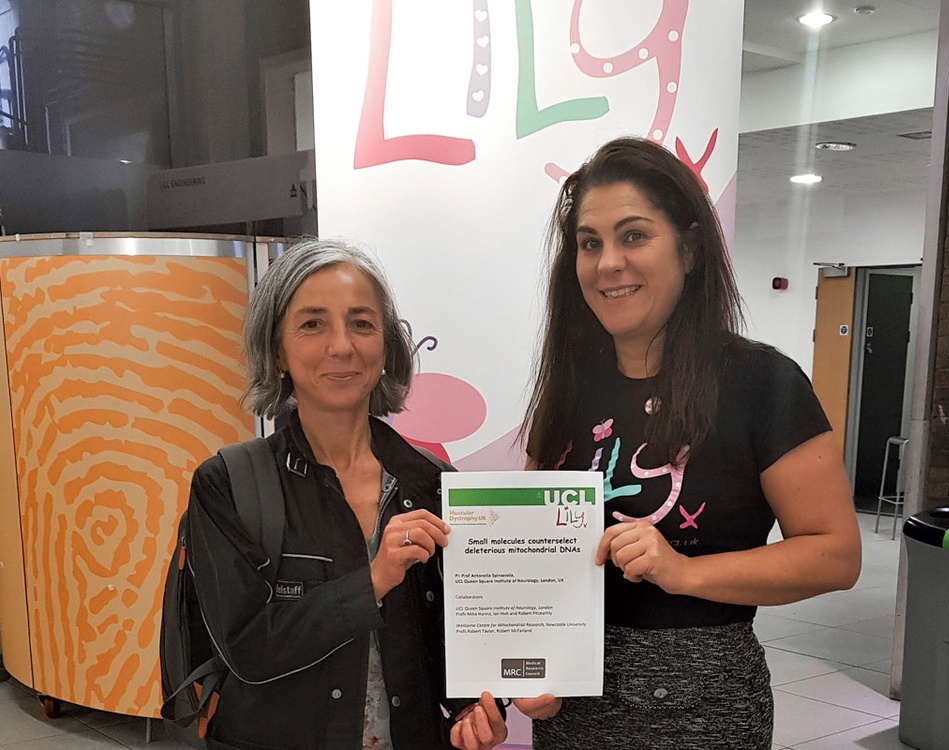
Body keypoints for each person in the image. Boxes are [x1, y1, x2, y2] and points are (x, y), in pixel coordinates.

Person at [514, 137, 862, 749]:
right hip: (574, 712)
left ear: (691, 247)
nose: (607, 263)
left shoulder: (762, 382)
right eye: (589, 243)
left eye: (634, 236)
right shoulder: (567, 390)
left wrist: (683, 571)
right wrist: (536, 663)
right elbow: (538, 559)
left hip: (703, 705)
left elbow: (836, 555)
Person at [184, 239, 507, 750]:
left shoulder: (433, 483)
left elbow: (451, 639)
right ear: (277, 349)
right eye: (313, 323)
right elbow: (247, 648)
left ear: (387, 347)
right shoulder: (229, 485)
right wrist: (374, 580)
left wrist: (476, 708)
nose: (342, 346)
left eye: (361, 323)